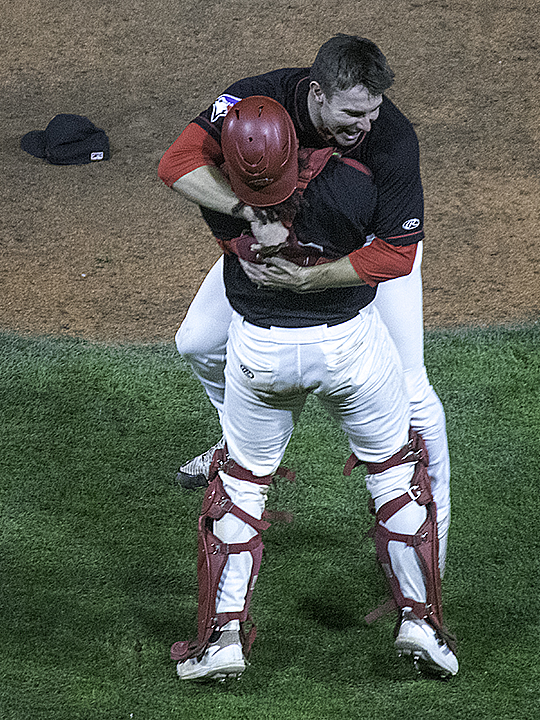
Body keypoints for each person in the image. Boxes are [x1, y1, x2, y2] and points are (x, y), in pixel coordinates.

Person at [168, 96, 457, 682]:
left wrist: (295, 266)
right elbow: (391, 255)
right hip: (347, 345)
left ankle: (225, 638)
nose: (364, 128)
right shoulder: (334, 184)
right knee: (393, 468)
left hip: (285, 332)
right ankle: (421, 614)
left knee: (244, 486)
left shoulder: (234, 203)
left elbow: (395, 253)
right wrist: (300, 264)